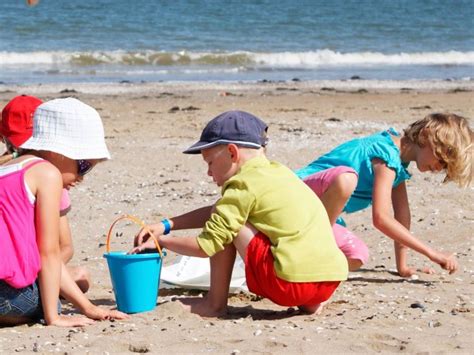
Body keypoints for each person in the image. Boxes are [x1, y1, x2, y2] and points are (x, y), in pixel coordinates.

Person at [132, 110, 348, 317]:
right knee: (227, 214)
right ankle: (311, 304)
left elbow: (206, 246)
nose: (208, 173)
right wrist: (167, 224)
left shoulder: (242, 184)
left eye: (210, 163)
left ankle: (214, 304)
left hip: (288, 286)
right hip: (328, 282)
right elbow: (220, 209)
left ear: (232, 153)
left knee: (226, 226)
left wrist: (162, 241)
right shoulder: (280, 173)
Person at [0, 97, 128, 327]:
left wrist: (88, 308)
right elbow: (48, 253)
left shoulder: (7, 168)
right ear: (57, 150)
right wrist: (54, 317)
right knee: (51, 299)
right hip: (4, 295)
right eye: (83, 166)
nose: (81, 178)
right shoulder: (47, 173)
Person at [295, 113, 472, 277]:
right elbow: (381, 218)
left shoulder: (397, 162)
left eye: (445, 167)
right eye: (441, 159)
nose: (439, 168)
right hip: (296, 196)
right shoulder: (385, 156)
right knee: (344, 181)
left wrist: (402, 267)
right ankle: (305, 251)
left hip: (319, 215)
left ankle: (303, 265)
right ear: (426, 136)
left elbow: (402, 216)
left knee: (357, 256)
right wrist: (432, 253)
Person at [0, 95, 90, 293]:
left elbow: (65, 246)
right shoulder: (10, 174)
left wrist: (42, 272)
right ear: (4, 140)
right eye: (16, 148)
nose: (24, 152)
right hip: (12, 269)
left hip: (34, 266)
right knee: (77, 278)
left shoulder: (50, 178)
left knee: (79, 277)